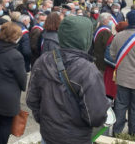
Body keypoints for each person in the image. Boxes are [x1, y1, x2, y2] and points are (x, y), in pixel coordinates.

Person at [27, 16, 110, 144]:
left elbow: (32, 100)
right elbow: (95, 116)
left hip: (48, 134)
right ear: (85, 38)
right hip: (76, 138)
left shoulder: (43, 60)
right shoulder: (88, 70)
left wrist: (45, 120)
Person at [0, 22, 27, 144]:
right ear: (13, 37)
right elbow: (22, 79)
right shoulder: (15, 55)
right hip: (7, 96)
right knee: (5, 124)